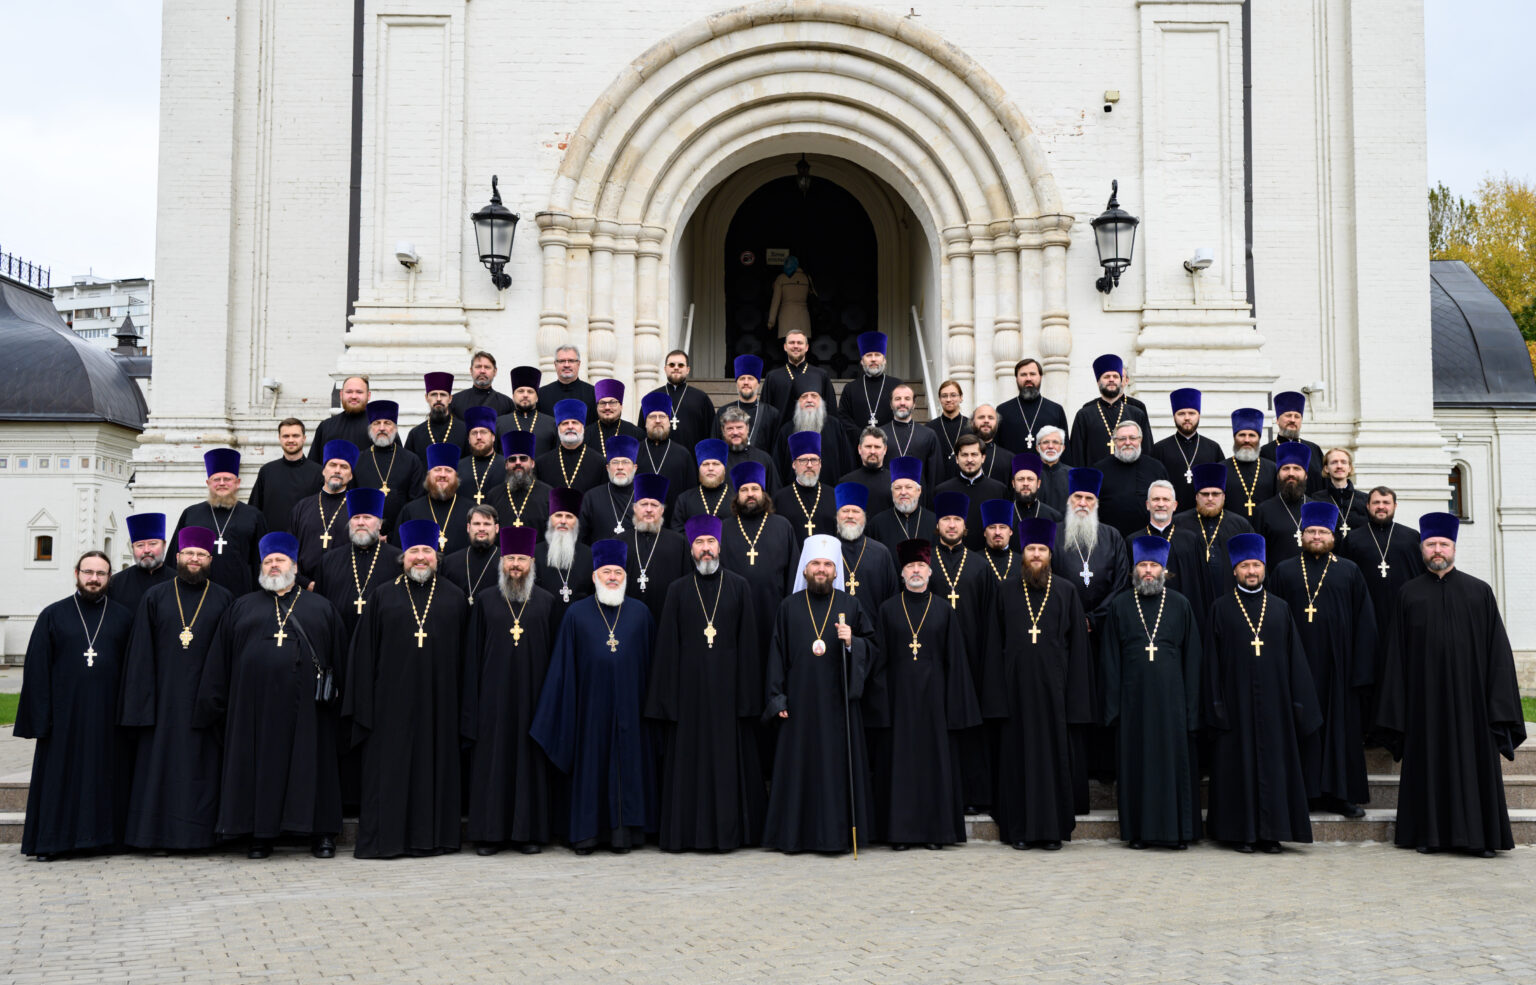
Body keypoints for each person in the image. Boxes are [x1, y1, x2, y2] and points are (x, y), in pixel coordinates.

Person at [1375, 512, 1526, 857]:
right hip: (1424, 703)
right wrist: (1398, 707)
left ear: (1454, 548)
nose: (1437, 550)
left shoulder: (1479, 592)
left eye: (1443, 544)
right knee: (1428, 765)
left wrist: (1498, 705)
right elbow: (1395, 656)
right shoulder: (1408, 594)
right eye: (1431, 544)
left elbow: (1498, 654)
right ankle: (1429, 835)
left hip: (1473, 704)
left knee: (1475, 766)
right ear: (1422, 549)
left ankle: (1481, 839)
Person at [195, 532, 345, 859]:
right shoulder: (241, 607)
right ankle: (259, 835)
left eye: (280, 560)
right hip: (253, 709)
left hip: (309, 711)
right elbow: (221, 659)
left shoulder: (322, 608)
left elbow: (339, 660)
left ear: (295, 566)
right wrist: (213, 705)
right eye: (267, 561)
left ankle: (321, 834)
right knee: (257, 768)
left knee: (313, 766)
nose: (274, 566)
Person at [344, 519, 470, 858]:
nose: (420, 557)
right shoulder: (383, 596)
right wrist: (364, 706)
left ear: (437, 557)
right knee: (391, 772)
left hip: (441, 704)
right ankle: (387, 841)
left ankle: (434, 839)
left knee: (435, 769)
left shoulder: (455, 597)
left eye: (427, 550)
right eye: (414, 551)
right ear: (403, 557)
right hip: (390, 706)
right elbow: (364, 655)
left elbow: (466, 658)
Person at [645, 516, 766, 851]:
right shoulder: (677, 590)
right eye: (699, 543)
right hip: (689, 694)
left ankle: (730, 834)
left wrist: (748, 700)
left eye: (710, 542)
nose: (706, 549)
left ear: (720, 546)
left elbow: (749, 644)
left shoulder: (739, 586)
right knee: (689, 764)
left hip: (729, 695)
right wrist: (667, 701)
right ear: (691, 549)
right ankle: (686, 834)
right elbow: (667, 646)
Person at [531, 540, 658, 854]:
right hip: (588, 712)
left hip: (631, 710)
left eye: (618, 572)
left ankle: (624, 834)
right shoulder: (576, 615)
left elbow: (653, 668)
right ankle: (587, 834)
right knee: (591, 768)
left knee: (628, 768)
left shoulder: (641, 614)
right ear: (594, 576)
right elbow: (562, 670)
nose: (612, 577)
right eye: (606, 572)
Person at [1202, 533, 1322, 854]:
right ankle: (1240, 833)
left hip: (1275, 706)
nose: (1251, 571)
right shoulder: (1220, 608)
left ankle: (1272, 833)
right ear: (1234, 570)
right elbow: (1211, 662)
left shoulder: (1281, 608)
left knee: (1275, 768)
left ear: (1264, 567)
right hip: (1235, 705)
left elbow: (1296, 660)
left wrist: (1298, 704)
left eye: (1256, 565)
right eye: (1245, 566)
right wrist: (1215, 704)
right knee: (1237, 768)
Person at [118, 527, 234, 851]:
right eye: (189, 554)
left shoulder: (224, 598)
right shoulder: (155, 597)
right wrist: (141, 706)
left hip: (206, 703)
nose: (194, 559)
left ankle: (202, 838)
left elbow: (229, 655)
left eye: (201, 554)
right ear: (178, 556)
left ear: (209, 559)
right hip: (163, 702)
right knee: (160, 770)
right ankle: (157, 837)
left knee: (202, 770)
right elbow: (140, 655)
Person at [16, 550, 135, 860]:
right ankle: (52, 842)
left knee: (104, 776)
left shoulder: (124, 617)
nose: (94, 579)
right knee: (60, 777)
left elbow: (133, 670)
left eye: (100, 573)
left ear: (109, 578)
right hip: (63, 718)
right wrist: (40, 718)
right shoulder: (53, 615)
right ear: (76, 574)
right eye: (88, 572)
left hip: (108, 717)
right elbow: (37, 669)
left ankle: (104, 840)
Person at [761, 536, 877, 854]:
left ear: (836, 571)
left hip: (839, 705)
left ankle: (836, 837)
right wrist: (777, 698)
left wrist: (853, 642)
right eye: (815, 564)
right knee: (800, 770)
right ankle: (795, 837)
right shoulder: (788, 607)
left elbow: (873, 647)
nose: (821, 569)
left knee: (836, 770)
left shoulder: (850, 605)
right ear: (805, 569)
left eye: (827, 564)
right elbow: (776, 656)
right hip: (799, 705)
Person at [985, 517, 1094, 850]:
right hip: (1015, 694)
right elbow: (994, 646)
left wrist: (1076, 701)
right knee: (1017, 762)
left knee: (1052, 761)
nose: (1036, 555)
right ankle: (1019, 830)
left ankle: (1051, 831)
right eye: (1031, 549)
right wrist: (996, 700)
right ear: (1023, 553)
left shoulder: (1066, 591)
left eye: (1042, 550)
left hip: (1054, 695)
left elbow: (1079, 650)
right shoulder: (1005, 590)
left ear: (1050, 555)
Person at [866, 539, 980, 849]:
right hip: (899, 701)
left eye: (920, 566)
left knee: (934, 766)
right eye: (910, 566)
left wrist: (954, 707)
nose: (915, 571)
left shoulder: (943, 609)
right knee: (900, 766)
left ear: (929, 572)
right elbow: (880, 661)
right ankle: (900, 834)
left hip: (935, 702)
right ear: (902, 573)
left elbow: (955, 660)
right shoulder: (888, 609)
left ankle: (935, 834)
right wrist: (882, 706)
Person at [1268, 501, 1377, 818]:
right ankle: (1302, 794)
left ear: (1333, 536)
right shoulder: (1284, 570)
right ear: (1301, 534)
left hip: (1338, 668)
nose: (1316, 536)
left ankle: (1341, 795)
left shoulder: (1349, 571)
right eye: (1311, 531)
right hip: (1296, 667)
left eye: (1323, 532)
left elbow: (1365, 623)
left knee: (1339, 731)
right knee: (1300, 729)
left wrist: (1361, 671)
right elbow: (1270, 619)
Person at [1100, 536, 1203, 849]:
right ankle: (1139, 833)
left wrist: (1191, 708)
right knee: (1137, 766)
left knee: (1174, 767)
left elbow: (1193, 659)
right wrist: (1114, 708)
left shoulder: (1181, 604)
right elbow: (1110, 659)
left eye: (1154, 565)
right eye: (1143, 565)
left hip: (1173, 704)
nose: (1148, 571)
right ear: (1135, 569)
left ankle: (1178, 833)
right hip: (1133, 704)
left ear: (1164, 570)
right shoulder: (1120, 605)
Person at [463, 526, 560, 855]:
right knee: (493, 766)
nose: (515, 564)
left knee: (530, 765)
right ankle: (489, 835)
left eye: (521, 558)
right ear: (501, 562)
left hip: (534, 700)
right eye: (510, 558)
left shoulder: (546, 602)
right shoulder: (485, 601)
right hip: (492, 701)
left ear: (532, 563)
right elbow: (473, 655)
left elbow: (555, 657)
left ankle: (528, 834)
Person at [927, 491, 999, 811]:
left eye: (957, 519)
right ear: (937, 525)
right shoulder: (926, 563)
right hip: (934, 660)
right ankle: (942, 796)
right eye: (946, 519)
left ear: (965, 526)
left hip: (973, 660)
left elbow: (990, 619)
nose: (952, 525)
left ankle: (974, 797)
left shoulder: (980, 566)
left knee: (972, 731)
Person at [1339, 485, 1426, 742]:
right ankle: (1371, 730)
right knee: (1370, 675)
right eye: (1376, 503)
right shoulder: (1352, 540)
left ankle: (1402, 729)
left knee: (1402, 675)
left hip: (1402, 621)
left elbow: (1422, 579)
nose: (1381, 507)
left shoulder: (1411, 538)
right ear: (1367, 506)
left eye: (1386, 503)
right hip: (1366, 622)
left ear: (1395, 506)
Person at [719, 462, 798, 644]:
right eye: (744, 490)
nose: (750, 494)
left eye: (755, 489)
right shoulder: (724, 528)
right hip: (734, 612)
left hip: (774, 610)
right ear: (737, 495)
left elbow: (793, 573)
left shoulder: (782, 526)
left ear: (763, 493)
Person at [172, 448, 269, 596]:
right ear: (208, 483)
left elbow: (261, 561)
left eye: (227, 479)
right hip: (198, 594)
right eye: (216, 479)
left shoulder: (254, 516)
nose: (222, 483)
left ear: (237, 483)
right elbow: (175, 559)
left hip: (242, 594)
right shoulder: (191, 514)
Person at [314, 488, 401, 638]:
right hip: (339, 640)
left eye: (367, 517)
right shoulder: (329, 561)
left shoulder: (398, 560)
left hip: (384, 639)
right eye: (356, 518)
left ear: (380, 524)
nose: (361, 523)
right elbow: (319, 608)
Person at [1173, 463, 1255, 615]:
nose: (1210, 498)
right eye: (1205, 494)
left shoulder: (1240, 525)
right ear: (1196, 496)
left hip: (1231, 601)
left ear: (1223, 496)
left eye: (1215, 494)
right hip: (1191, 598)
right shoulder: (1178, 524)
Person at [1131, 479, 1213, 625]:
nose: (1161, 504)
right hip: (1145, 618)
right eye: (1156, 499)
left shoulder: (1191, 540)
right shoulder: (1133, 541)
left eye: (1166, 499)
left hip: (1183, 616)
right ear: (1148, 505)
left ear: (1174, 505)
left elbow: (1201, 586)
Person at [622, 474, 690, 627]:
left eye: (654, 505)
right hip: (627, 619)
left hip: (668, 617)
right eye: (643, 504)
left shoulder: (680, 543)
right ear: (634, 508)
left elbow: (686, 585)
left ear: (662, 510)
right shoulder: (620, 542)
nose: (648, 510)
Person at [351, 400, 426, 533]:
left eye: (387, 423)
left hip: (401, 535)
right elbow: (352, 501)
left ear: (395, 428)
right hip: (366, 534)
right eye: (377, 423)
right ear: (370, 428)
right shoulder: (358, 460)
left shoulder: (411, 460)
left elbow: (416, 504)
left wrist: (395, 535)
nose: (382, 428)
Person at [290, 440, 355, 587]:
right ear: (323, 470)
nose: (337, 470)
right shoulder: (302, 507)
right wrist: (305, 583)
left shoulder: (357, 510)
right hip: (304, 588)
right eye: (332, 465)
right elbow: (290, 550)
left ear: (351, 475)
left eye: (344, 467)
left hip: (344, 587)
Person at [832, 481, 899, 625]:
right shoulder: (827, 550)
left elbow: (891, 598)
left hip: (873, 631)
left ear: (864, 517)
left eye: (856, 511)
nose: (850, 516)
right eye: (845, 511)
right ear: (837, 516)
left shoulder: (881, 553)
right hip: (833, 628)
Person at [1149, 388, 1225, 513]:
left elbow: (1221, 487)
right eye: (1181, 414)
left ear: (1199, 415)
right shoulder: (1160, 449)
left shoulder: (1213, 448)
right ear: (1174, 416)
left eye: (1192, 413)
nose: (1187, 418)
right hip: (1170, 515)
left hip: (1204, 515)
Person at [1069, 354, 1153, 466]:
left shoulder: (1137, 413)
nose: (1111, 379)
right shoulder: (1084, 415)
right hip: (1095, 475)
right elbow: (1077, 454)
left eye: (1115, 376)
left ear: (1121, 381)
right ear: (1098, 382)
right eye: (1107, 376)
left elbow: (1147, 452)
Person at [1090, 421, 1170, 537]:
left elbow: (1168, 502)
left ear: (1140, 440)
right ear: (1115, 441)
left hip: (1148, 539)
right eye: (1122, 439)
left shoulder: (1156, 468)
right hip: (1110, 539)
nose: (1128, 443)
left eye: (1132, 438)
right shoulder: (1099, 470)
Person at [396, 443, 474, 555]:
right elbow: (399, 552)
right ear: (428, 475)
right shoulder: (410, 511)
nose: (442, 474)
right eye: (437, 470)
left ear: (456, 476)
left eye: (448, 470)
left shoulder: (472, 510)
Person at [249, 418, 323, 533]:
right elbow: (254, 510)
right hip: (273, 539)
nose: (290, 440)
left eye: (295, 436)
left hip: (306, 538)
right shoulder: (267, 471)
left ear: (304, 438)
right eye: (286, 436)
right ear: (279, 438)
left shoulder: (319, 472)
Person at [934, 434, 1009, 548]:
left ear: (983, 458)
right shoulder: (942, 491)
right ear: (957, 459)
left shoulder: (999, 490)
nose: (969, 460)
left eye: (974, 454)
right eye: (964, 455)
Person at [773, 380, 853, 481]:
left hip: (831, 489)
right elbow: (778, 469)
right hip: (793, 490)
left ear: (821, 401)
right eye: (804, 396)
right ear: (797, 402)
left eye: (814, 396)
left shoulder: (835, 426)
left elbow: (847, 463)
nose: (809, 400)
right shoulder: (786, 431)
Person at [535, 487, 594, 625]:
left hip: (579, 623)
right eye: (558, 515)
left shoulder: (589, 555)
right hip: (543, 622)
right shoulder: (535, 553)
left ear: (576, 522)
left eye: (569, 516)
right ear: (550, 520)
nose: (563, 521)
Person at [773, 430, 839, 547]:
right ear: (794, 464)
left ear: (820, 464)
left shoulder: (834, 496)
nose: (809, 465)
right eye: (803, 460)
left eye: (814, 460)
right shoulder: (780, 499)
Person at [643, 349, 716, 450]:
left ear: (688, 370)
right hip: (658, 457)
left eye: (681, 365)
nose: (676, 368)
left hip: (692, 457)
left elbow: (711, 434)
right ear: (665, 369)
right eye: (672, 365)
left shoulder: (701, 398)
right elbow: (642, 432)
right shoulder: (652, 397)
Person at [995, 358, 1070, 456]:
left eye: (1032, 374)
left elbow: (1065, 450)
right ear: (1016, 378)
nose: (1028, 378)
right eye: (1023, 375)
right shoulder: (1002, 411)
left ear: (1040, 377)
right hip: (1011, 466)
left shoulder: (1056, 410)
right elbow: (997, 450)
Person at [1254, 443, 1311, 567]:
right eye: (1285, 468)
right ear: (1278, 475)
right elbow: (1258, 556)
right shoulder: (1264, 511)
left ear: (1306, 475)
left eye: (1297, 468)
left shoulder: (1316, 508)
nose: (1291, 473)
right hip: (1276, 578)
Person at [867, 457, 936, 558]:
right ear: (892, 492)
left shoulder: (934, 522)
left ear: (919, 491)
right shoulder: (877, 524)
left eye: (908, 487)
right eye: (898, 488)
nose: (903, 492)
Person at [578, 434, 641, 543]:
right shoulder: (592, 498)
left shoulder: (644, 499)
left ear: (635, 468)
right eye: (615, 462)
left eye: (625, 462)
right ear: (607, 468)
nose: (620, 467)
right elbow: (581, 538)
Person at [762, 328, 836, 420]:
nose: (795, 346)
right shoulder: (773, 377)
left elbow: (831, 411)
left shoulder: (821, 375)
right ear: (785, 347)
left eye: (799, 343)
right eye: (792, 343)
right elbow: (765, 412)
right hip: (780, 429)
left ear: (806, 347)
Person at [108, 512, 176, 613]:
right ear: (132, 548)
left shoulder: (178, 580)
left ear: (164, 545)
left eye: (153, 544)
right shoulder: (115, 583)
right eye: (140, 545)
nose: (146, 550)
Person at [635, 391, 694, 506]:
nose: (657, 420)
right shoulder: (634, 452)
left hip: (675, 515)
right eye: (652, 416)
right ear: (645, 423)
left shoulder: (683, 454)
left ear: (669, 421)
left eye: (662, 416)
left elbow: (690, 494)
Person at [1260, 390, 1325, 494]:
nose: (1293, 420)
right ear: (1277, 420)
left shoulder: (1314, 449)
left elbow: (1324, 483)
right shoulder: (1265, 452)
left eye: (1297, 416)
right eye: (1288, 415)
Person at [535, 399, 606, 493]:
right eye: (565, 423)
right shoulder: (541, 464)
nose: (570, 427)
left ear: (583, 427)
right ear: (558, 428)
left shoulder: (600, 463)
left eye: (575, 422)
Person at [488, 431, 551, 534]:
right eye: (512, 459)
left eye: (523, 458)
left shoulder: (547, 494)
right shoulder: (493, 496)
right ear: (506, 465)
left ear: (532, 463)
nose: (518, 462)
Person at [881, 383, 944, 487]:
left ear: (914, 404)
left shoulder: (928, 435)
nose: (902, 403)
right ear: (891, 404)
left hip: (919, 494)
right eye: (897, 399)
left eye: (907, 399)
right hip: (887, 492)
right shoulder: (880, 434)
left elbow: (935, 474)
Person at [839, 331, 905, 430]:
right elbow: (844, 418)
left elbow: (903, 415)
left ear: (884, 360)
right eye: (869, 355)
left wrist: (886, 436)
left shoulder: (897, 385)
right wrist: (862, 436)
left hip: (891, 438)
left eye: (877, 355)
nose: (873, 359)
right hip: (858, 439)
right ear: (862, 361)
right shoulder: (850, 388)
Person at [715, 354, 779, 452]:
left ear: (758, 383)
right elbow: (716, 446)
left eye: (750, 378)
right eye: (742, 378)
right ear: (737, 383)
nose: (746, 382)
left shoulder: (771, 414)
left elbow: (775, 450)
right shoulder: (723, 412)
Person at [669, 438, 733, 534]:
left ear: (724, 468)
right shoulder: (684, 500)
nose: (710, 468)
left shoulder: (736, 498)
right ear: (699, 468)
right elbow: (677, 535)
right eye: (705, 464)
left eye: (716, 464)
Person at [307, 375, 373, 465]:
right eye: (349, 392)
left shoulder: (380, 427)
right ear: (341, 394)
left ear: (368, 395)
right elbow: (313, 465)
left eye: (359, 392)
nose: (354, 396)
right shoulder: (326, 426)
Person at [441, 504, 501, 601]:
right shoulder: (449, 563)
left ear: (496, 528)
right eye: (477, 524)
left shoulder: (506, 562)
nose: (481, 528)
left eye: (487, 524)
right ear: (468, 527)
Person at [1224, 408, 1275, 522]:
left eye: (1252, 435)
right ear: (1234, 437)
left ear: (1259, 438)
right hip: (1231, 528)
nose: (1247, 440)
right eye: (1242, 435)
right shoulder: (1222, 469)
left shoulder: (1272, 469)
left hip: (1264, 529)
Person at [494, 365, 556, 456]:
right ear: (513, 396)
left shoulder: (552, 424)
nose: (525, 395)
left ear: (537, 397)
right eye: (521, 391)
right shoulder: (499, 424)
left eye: (530, 392)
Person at [405, 372, 469, 459]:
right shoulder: (415, 434)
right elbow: (409, 465)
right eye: (434, 394)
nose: (438, 399)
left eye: (443, 395)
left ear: (450, 398)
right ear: (427, 398)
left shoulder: (464, 431)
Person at [1310, 447, 1370, 538]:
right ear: (1326, 468)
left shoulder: (1365, 500)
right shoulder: (1316, 499)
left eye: (1343, 462)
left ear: (1350, 468)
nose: (1339, 466)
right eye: (1334, 462)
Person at [720, 405, 783, 490]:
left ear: (747, 429)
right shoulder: (717, 460)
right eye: (730, 428)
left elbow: (774, 491)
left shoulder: (763, 458)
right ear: (723, 431)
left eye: (739, 427)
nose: (735, 432)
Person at [837, 427, 895, 516]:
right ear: (859, 449)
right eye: (868, 446)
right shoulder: (846, 482)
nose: (872, 451)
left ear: (885, 450)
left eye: (877, 447)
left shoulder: (895, 482)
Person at [456, 407, 505, 509]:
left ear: (493, 437)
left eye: (483, 432)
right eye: (474, 433)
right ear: (469, 439)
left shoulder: (506, 465)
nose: (478, 437)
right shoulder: (458, 467)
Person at [537, 344, 599, 419]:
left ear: (578, 364)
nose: (566, 365)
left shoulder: (594, 394)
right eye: (562, 361)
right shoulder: (541, 394)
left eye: (571, 361)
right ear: (555, 364)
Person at [1004, 452, 1064, 529]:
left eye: (1030, 479)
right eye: (1020, 479)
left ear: (1038, 483)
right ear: (1013, 483)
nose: (1025, 483)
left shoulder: (1054, 517)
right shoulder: (1004, 516)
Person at [586, 378, 645, 456]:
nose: (607, 407)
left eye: (612, 402)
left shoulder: (636, 434)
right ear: (597, 407)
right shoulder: (586, 434)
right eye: (602, 403)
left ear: (621, 406)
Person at [926, 378, 969, 480]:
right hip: (938, 481)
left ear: (961, 398)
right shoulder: (929, 428)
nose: (948, 399)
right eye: (944, 396)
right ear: (939, 399)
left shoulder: (971, 425)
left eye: (953, 395)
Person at [450, 350, 515, 418]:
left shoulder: (506, 403)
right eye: (478, 367)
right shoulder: (455, 401)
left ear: (495, 372)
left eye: (487, 367)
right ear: (471, 371)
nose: (482, 371)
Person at [767, 254, 814, 339]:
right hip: (803, 319)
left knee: (788, 344)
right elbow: (813, 295)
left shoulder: (781, 278)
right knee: (801, 345)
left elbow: (775, 301)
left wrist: (771, 322)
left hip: (786, 319)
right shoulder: (806, 277)